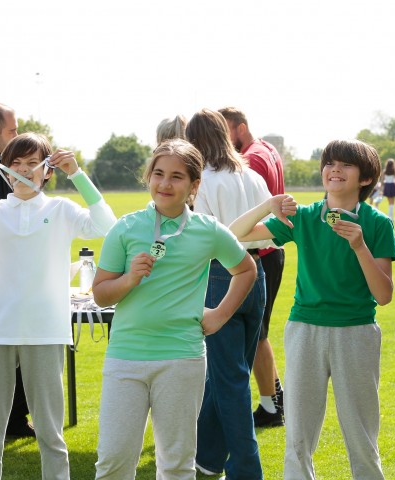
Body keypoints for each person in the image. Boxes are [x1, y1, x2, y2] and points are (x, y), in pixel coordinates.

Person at [230, 139, 395, 480]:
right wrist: (268, 205)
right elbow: (234, 236)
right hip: (305, 330)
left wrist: (359, 245)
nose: (334, 169)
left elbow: (384, 295)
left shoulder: (378, 224)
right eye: (330, 163)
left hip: (357, 332)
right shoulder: (303, 217)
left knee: (362, 433)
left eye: (346, 164)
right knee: (298, 436)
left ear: (366, 178)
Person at [92, 139, 258, 479]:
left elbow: (246, 270)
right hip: (126, 357)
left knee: (177, 464)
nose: (165, 184)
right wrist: (128, 280)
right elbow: (101, 295)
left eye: (177, 177)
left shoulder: (207, 230)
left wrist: (219, 314)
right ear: (148, 177)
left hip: (182, 358)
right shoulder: (125, 227)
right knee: (113, 461)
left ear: (194, 186)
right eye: (158, 174)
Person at [0, 132, 116, 479]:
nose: (24, 171)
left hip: (45, 331)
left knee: (50, 434)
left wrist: (77, 173)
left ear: (46, 171)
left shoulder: (61, 210)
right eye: (16, 164)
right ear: (4, 171)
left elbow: (107, 226)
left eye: (32, 164)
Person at [186, 108, 272, 479]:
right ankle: (207, 457)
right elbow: (271, 232)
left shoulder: (201, 180)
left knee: (229, 379)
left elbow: (203, 239)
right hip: (258, 273)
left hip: (221, 275)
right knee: (225, 376)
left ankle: (246, 470)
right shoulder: (252, 175)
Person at [219, 106, 288, 428]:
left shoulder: (251, 158)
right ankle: (274, 399)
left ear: (240, 128)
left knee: (256, 334)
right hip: (265, 249)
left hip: (258, 249)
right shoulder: (267, 149)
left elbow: (247, 217)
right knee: (259, 332)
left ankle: (271, 403)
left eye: (226, 130)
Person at [0, 102, 34, 439]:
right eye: (13, 130)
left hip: (5, 281)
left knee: (13, 350)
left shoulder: (2, 172)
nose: (17, 136)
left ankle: (14, 419)